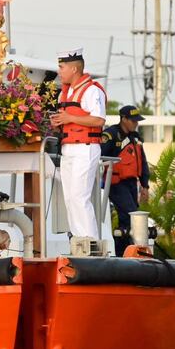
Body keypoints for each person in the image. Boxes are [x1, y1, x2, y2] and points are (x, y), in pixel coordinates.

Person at [50, 48, 107, 242]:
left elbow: (99, 120)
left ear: (74, 69)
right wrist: (58, 124)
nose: (59, 71)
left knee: (80, 197)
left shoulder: (92, 90)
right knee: (69, 198)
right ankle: (77, 240)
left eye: (62, 66)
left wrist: (70, 117)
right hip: (68, 148)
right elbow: (68, 121)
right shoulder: (63, 94)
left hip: (86, 148)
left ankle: (90, 241)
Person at [100, 105, 150, 256]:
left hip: (130, 184)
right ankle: (127, 251)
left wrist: (145, 185)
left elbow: (143, 162)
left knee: (127, 220)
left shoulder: (136, 138)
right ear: (124, 119)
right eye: (133, 120)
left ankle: (123, 252)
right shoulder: (111, 134)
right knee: (131, 215)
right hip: (115, 183)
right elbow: (99, 155)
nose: (136, 123)